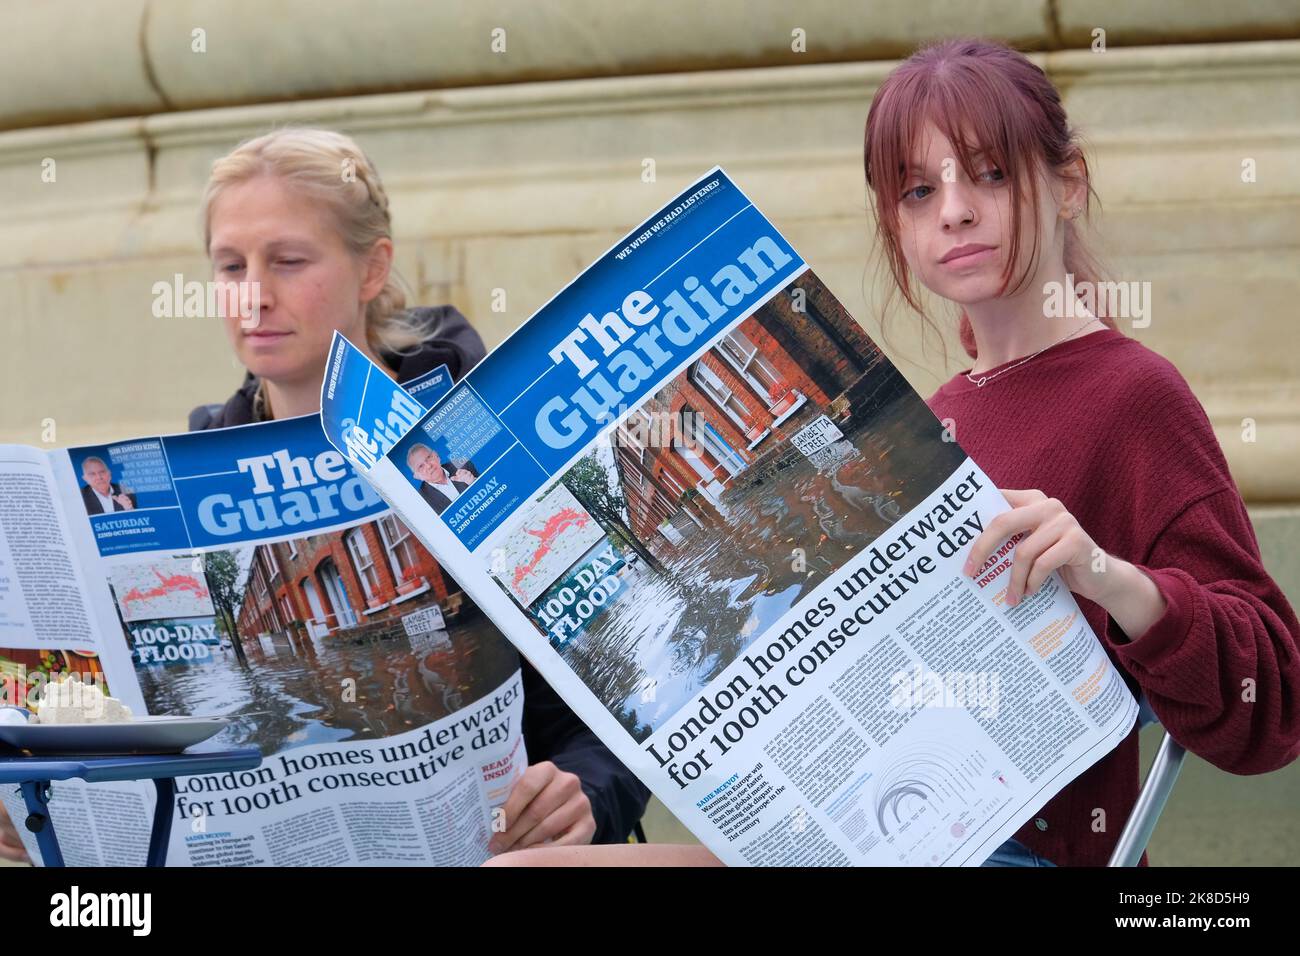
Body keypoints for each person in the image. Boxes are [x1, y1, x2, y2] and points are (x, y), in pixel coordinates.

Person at [486, 37, 1300, 868]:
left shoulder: (1132, 396)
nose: (954, 210)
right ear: (896, 225)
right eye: (918, 190)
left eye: (989, 173)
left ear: (1068, 185)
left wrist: (1108, 576)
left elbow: (1271, 708)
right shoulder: (938, 416)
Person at [0, 127, 649, 864]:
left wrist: (583, 793)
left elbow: (620, 693)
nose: (254, 295)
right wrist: (47, 804)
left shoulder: (484, 436)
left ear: (373, 268)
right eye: (229, 265)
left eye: (288, 261)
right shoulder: (191, 463)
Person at [406, 443, 477, 516]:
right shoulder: (422, 501)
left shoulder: (462, 464)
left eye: (428, 458)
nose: (428, 466)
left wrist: (473, 482)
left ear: (436, 455)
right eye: (421, 466)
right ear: (417, 476)